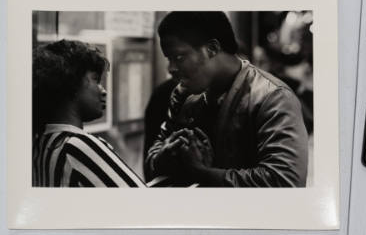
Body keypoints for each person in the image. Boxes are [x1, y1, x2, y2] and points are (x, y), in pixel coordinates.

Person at [146, 12, 308, 187]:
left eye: (179, 57)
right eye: (169, 59)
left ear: (212, 49)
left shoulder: (272, 97)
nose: (171, 69)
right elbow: (153, 158)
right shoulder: (183, 94)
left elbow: (285, 182)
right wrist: (167, 153)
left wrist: (203, 173)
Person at [33, 40, 146, 187]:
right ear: (71, 84)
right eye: (96, 80)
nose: (103, 91)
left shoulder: (41, 144)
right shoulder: (78, 146)